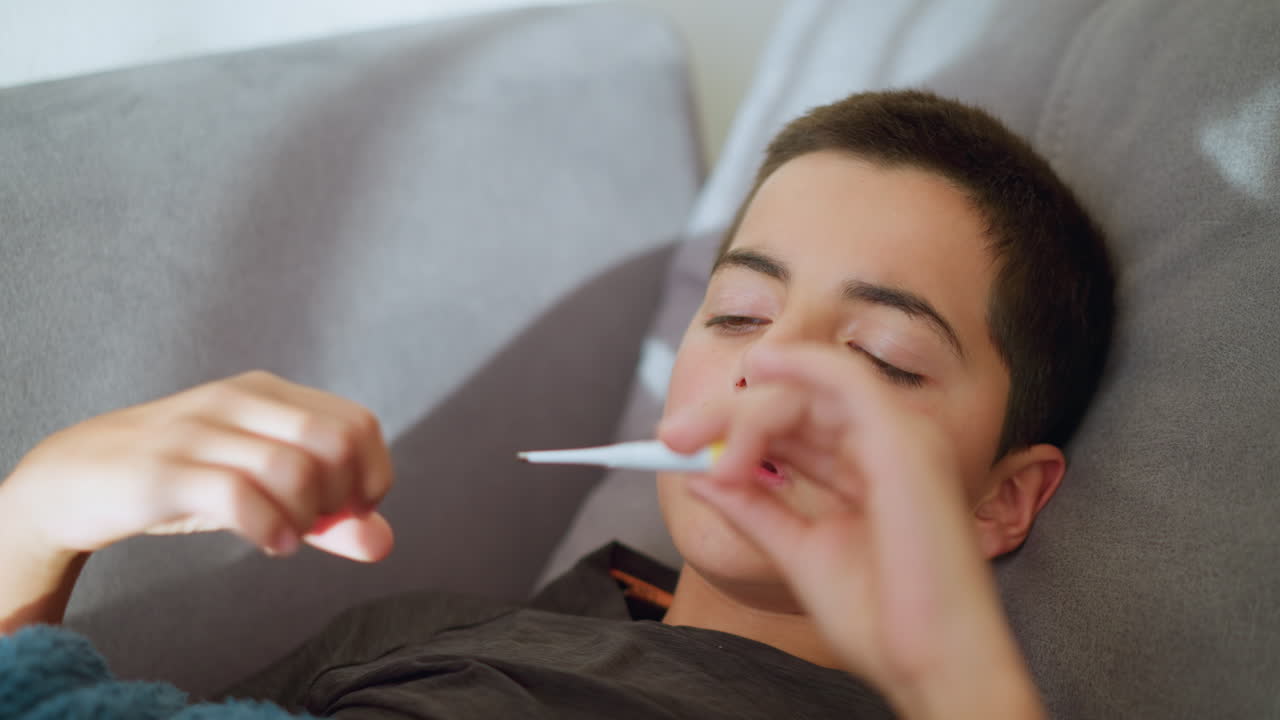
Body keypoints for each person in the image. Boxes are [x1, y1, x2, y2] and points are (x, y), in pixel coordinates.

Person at [0, 89, 1113, 719]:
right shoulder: (420, 634)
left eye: (876, 353)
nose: (773, 372)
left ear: (1002, 500)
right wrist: (37, 527)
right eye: (737, 315)